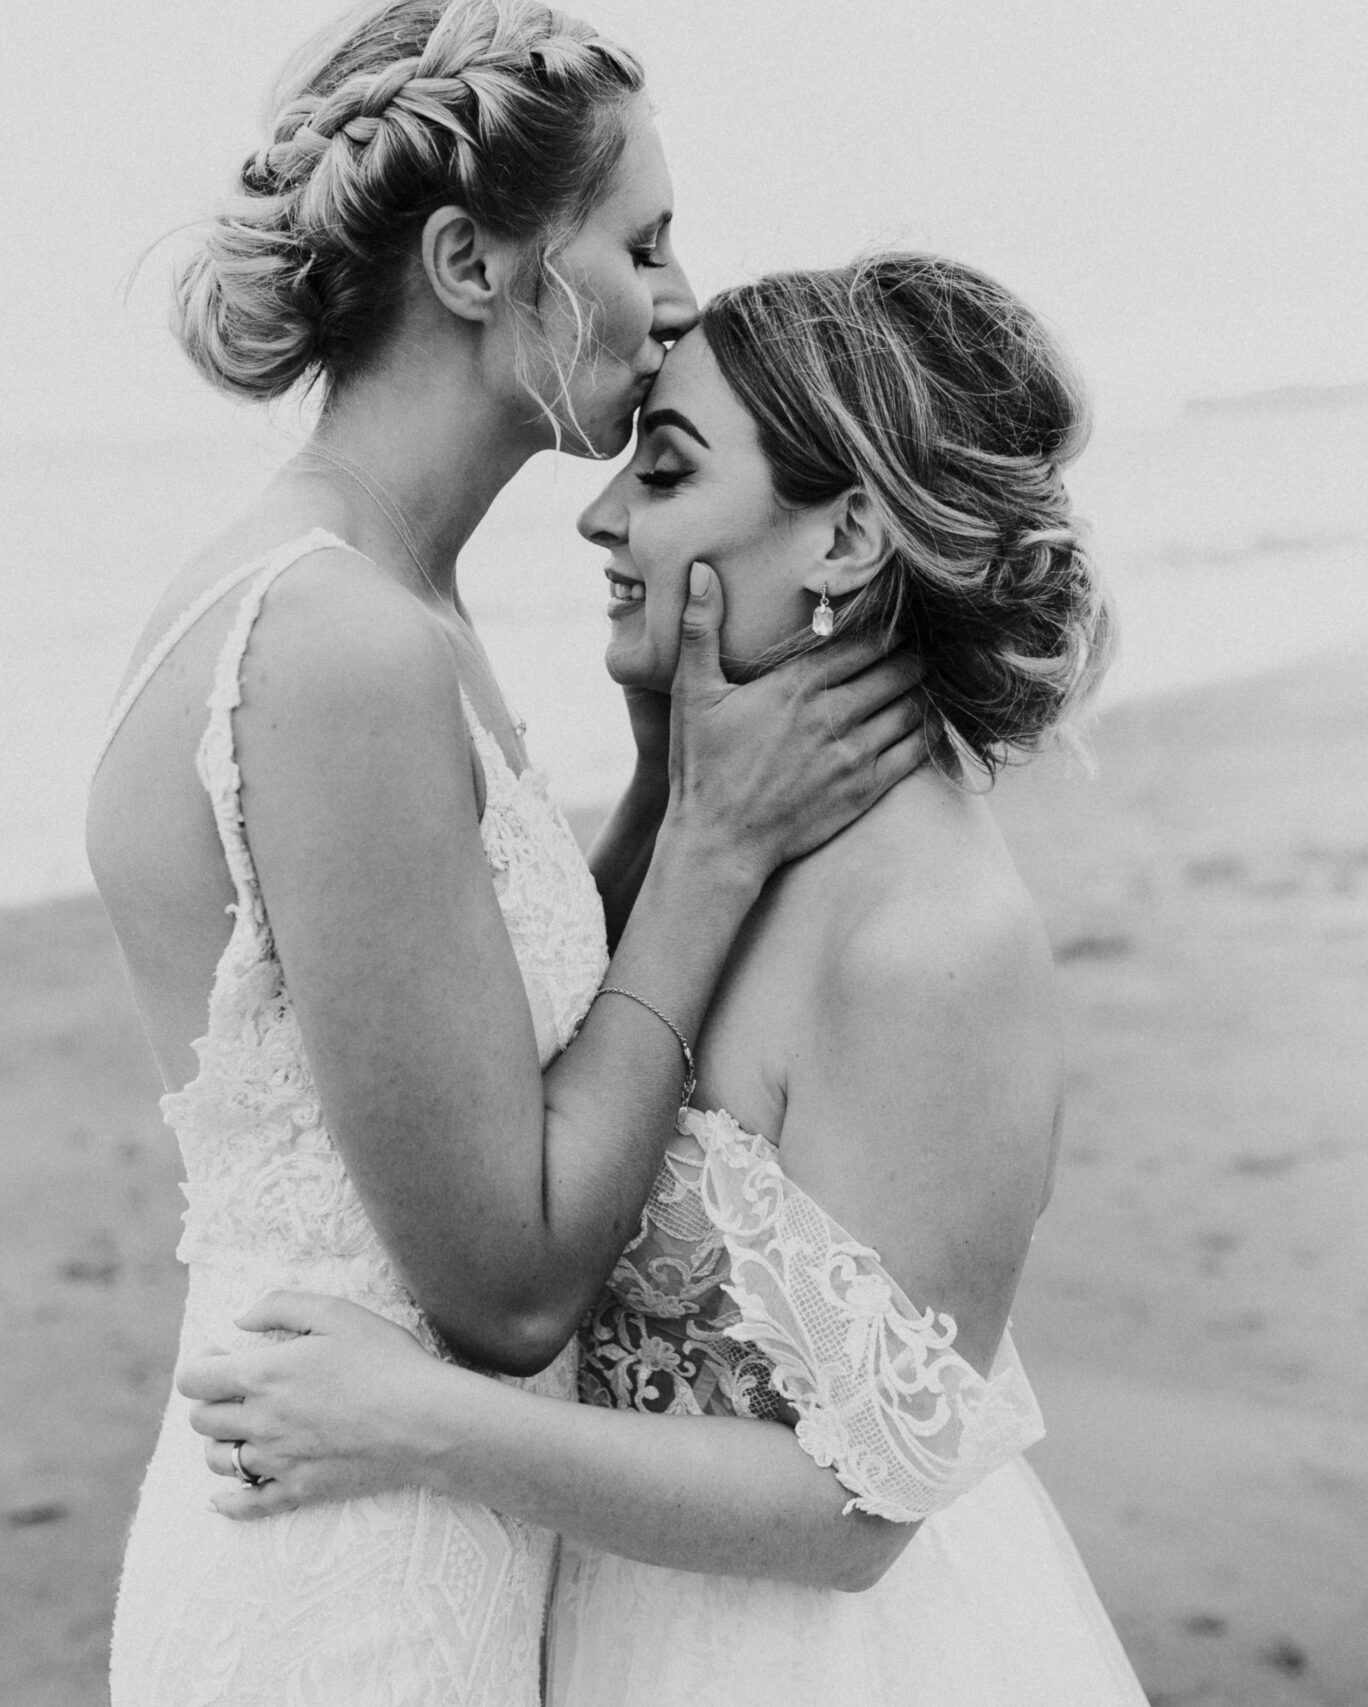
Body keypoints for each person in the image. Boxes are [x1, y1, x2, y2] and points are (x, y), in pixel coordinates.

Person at [87, 4, 926, 1703]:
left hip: (408, 1523)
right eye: (642, 240)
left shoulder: (380, 599)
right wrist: (705, 849)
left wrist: (649, 792)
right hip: (352, 1586)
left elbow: (477, 1050)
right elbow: (507, 1280)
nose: (679, 294)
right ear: (475, 263)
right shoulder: (341, 646)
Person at [177, 254, 1151, 1704]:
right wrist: (662, 790)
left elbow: (861, 1509)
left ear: (848, 539)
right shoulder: (740, 836)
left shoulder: (933, 941)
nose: (601, 512)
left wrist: (411, 1422)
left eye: (670, 473)